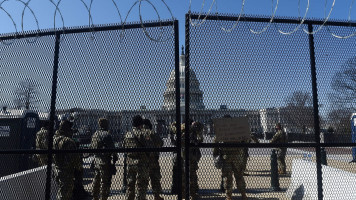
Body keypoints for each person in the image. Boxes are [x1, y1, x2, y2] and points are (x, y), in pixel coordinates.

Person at [213, 115, 247, 200]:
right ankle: (243, 194)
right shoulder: (237, 130)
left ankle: (229, 196)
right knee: (239, 176)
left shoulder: (222, 132)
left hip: (226, 157)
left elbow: (215, 144)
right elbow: (245, 140)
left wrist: (216, 155)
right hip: (237, 157)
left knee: (227, 178)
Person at [53, 120, 82, 200]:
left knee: (61, 191)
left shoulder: (54, 140)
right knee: (65, 195)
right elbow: (76, 160)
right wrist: (80, 168)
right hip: (67, 172)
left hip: (56, 170)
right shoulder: (69, 142)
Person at [124, 115, 152, 200]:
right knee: (141, 186)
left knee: (130, 186)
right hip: (141, 163)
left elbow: (124, 146)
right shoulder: (142, 133)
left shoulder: (127, 134)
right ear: (140, 124)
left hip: (130, 163)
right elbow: (149, 145)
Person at [90, 118, 118, 200]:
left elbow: (91, 147)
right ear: (106, 125)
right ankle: (103, 197)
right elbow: (113, 149)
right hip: (104, 161)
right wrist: (115, 158)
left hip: (96, 160)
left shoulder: (95, 134)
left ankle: (95, 196)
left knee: (96, 180)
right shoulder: (107, 135)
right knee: (105, 182)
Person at [181, 120, 204, 200]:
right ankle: (192, 194)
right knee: (192, 176)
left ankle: (183, 194)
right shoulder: (193, 131)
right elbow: (200, 140)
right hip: (192, 156)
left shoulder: (180, 130)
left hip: (183, 155)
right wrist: (198, 127)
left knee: (183, 175)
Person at [143, 119, 164, 200]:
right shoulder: (152, 133)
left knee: (143, 180)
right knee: (155, 178)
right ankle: (156, 195)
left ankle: (142, 196)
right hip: (153, 160)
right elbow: (161, 143)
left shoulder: (138, 133)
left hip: (142, 161)